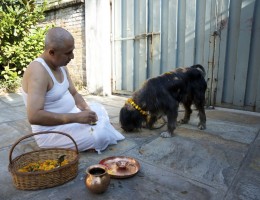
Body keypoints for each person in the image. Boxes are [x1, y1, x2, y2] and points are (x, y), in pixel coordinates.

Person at [21, 27, 125, 153]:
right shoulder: (38, 71)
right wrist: (76, 118)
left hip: (71, 116)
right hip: (52, 131)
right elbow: (34, 116)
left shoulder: (61, 67)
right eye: (68, 53)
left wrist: (86, 110)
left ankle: (96, 127)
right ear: (52, 52)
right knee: (100, 136)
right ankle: (97, 132)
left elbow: (74, 93)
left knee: (98, 109)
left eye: (72, 51)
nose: (72, 56)